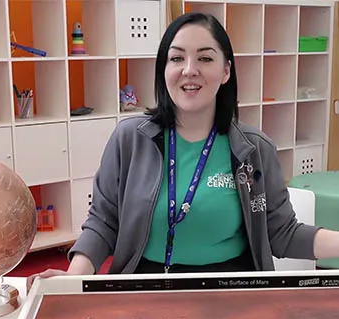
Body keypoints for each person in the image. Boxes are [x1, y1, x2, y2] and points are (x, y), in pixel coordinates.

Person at [28, 12, 339, 286]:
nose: (190, 70)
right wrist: (73, 277)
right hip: (144, 283)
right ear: (164, 70)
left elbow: (282, 233)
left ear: (226, 71)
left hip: (229, 288)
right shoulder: (130, 139)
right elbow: (104, 221)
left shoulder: (254, 149)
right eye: (177, 58)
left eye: (205, 58)